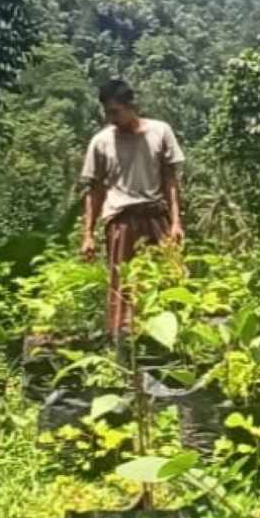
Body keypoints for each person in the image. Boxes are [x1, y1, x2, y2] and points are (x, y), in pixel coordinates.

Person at [79, 79, 185, 335]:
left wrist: (176, 222)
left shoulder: (160, 132)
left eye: (115, 111)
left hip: (155, 216)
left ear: (130, 106)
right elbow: (94, 190)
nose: (111, 118)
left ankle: (170, 341)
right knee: (123, 283)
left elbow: (170, 180)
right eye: (107, 112)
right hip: (121, 220)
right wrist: (88, 235)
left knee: (168, 278)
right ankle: (123, 341)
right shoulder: (102, 142)